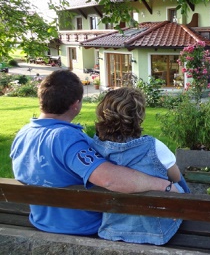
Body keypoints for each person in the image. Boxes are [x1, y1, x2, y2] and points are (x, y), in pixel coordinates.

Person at [10, 70, 177, 236]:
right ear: (75, 105)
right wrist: (163, 186)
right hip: (78, 226)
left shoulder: (23, 133)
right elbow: (110, 180)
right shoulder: (64, 137)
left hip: (41, 220)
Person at [91, 87, 189, 245]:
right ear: (138, 116)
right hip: (155, 230)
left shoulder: (95, 147)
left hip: (113, 226)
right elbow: (175, 177)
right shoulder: (153, 147)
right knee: (178, 183)